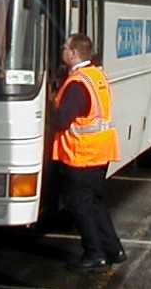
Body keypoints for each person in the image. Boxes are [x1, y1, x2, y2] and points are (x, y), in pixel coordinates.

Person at [53, 33, 126, 272]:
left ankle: (94, 254)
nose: (62, 50)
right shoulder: (96, 75)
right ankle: (114, 249)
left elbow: (62, 119)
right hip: (100, 152)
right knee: (95, 203)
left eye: (65, 48)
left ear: (73, 54)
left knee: (80, 206)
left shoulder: (76, 84)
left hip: (81, 154)